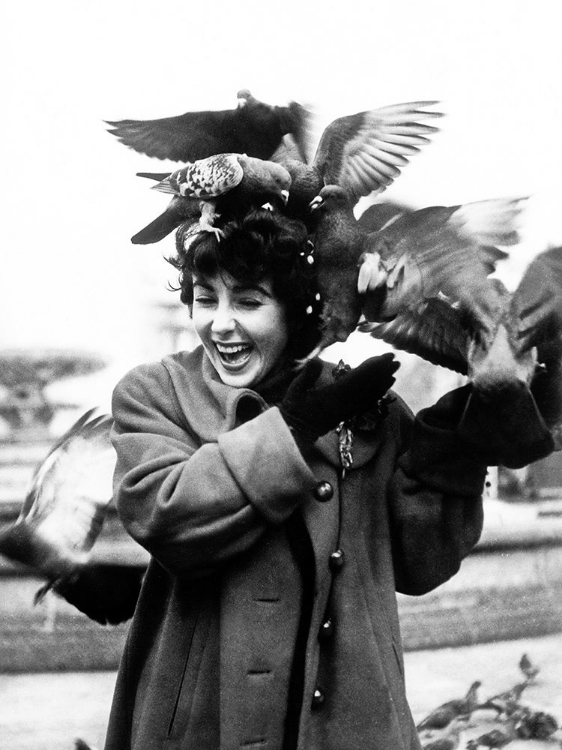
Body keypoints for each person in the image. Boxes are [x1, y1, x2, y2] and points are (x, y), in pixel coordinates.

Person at [103, 206, 494, 750]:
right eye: (204, 298)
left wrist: (468, 436)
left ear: (294, 309)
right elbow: (167, 518)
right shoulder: (156, 394)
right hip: (201, 725)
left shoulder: (364, 402)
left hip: (352, 721)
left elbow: (421, 562)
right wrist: (298, 425)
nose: (220, 323)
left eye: (247, 301)